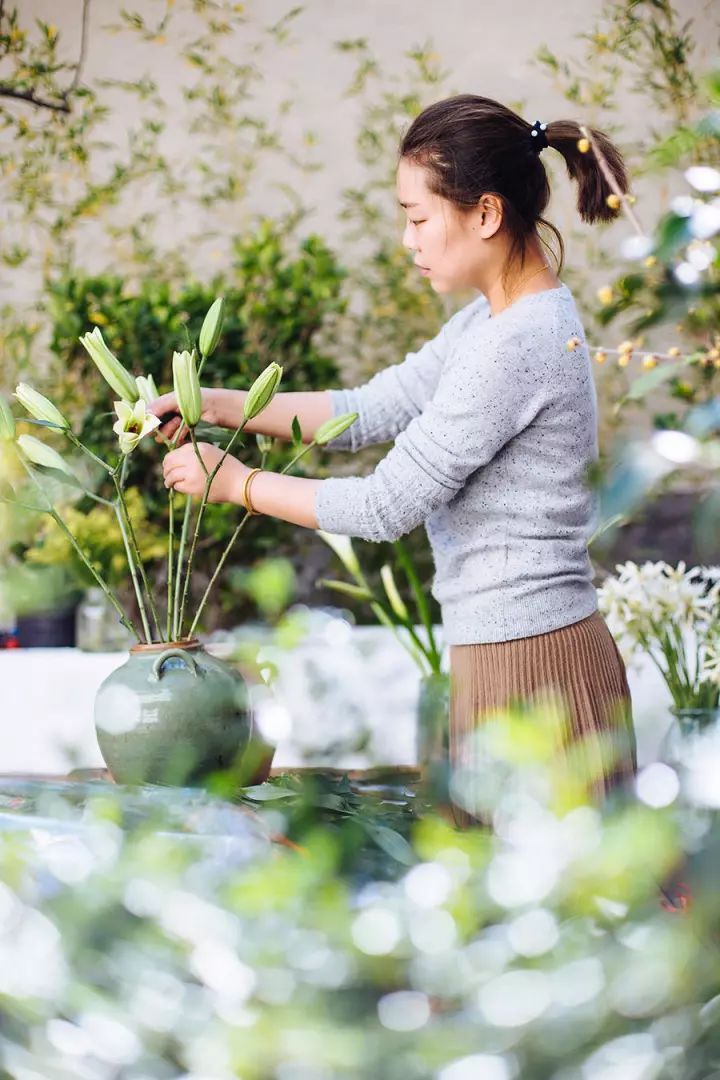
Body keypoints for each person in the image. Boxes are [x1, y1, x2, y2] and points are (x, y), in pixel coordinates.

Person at [152, 94, 637, 824]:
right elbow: (370, 408)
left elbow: (384, 507)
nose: (408, 241)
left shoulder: (516, 345)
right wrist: (218, 404)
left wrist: (236, 482)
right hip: (503, 652)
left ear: (485, 213)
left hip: (535, 667)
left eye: (417, 218)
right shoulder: (491, 322)